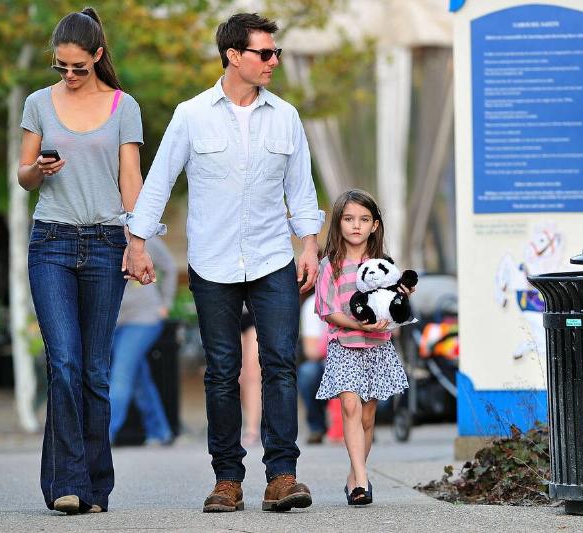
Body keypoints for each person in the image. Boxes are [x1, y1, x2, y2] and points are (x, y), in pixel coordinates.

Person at [125, 13, 324, 513]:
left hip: (272, 257)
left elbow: (301, 188)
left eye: (276, 52)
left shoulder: (286, 116)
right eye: (265, 53)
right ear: (234, 56)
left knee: (280, 365)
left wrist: (309, 245)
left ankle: (282, 476)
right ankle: (227, 479)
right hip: (212, 263)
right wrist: (138, 243)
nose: (274, 61)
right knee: (221, 371)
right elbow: (159, 181)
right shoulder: (191, 115)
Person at [16, 7, 143, 515]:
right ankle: (68, 483)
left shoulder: (123, 106)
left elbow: (130, 177)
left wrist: (138, 241)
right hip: (51, 241)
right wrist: (38, 169)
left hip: (106, 243)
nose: (69, 75)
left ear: (97, 56)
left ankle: (96, 486)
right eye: (61, 66)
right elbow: (23, 175)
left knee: (94, 371)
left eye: (78, 67)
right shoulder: (37, 104)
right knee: (64, 362)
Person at [314, 189, 414, 506]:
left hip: (377, 347)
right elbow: (327, 310)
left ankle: (353, 476)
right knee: (349, 407)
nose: (356, 225)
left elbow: (395, 302)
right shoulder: (329, 265)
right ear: (338, 223)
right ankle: (361, 479)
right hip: (344, 345)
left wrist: (402, 296)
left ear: (374, 225)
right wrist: (359, 325)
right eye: (348, 219)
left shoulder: (383, 265)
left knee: (368, 417)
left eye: (364, 219)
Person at [109, 236, 176, 445]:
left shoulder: (144, 235)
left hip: (143, 318)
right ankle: (160, 431)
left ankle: (102, 436)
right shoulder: (103, 233)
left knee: (121, 373)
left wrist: (165, 304)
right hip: (113, 322)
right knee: (138, 377)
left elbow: (170, 267)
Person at [297, 290, 328, 445]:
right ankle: (317, 426)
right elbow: (311, 351)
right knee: (307, 372)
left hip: (357, 358)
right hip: (326, 360)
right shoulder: (313, 304)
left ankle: (366, 425)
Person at [238, 305, 262, 448]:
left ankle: (252, 429)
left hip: (254, 307)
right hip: (229, 306)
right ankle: (247, 420)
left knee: (252, 371)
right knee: (237, 374)